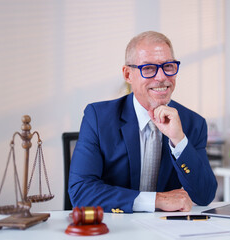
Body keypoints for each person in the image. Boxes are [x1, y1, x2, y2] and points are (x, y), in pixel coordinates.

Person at [68, 31, 217, 213]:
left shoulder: (193, 123)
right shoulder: (98, 117)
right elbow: (81, 192)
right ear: (128, 74)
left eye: (168, 66)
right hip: (116, 228)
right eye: (148, 68)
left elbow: (205, 196)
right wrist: (156, 200)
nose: (162, 77)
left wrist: (179, 141)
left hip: (166, 230)